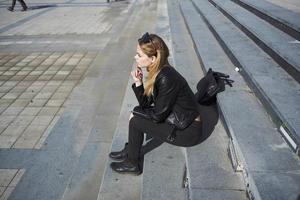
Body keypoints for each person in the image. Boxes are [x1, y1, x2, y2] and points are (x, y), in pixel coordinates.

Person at [109, 32, 209, 175]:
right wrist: (138, 83)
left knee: (136, 121)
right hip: (178, 121)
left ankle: (132, 164)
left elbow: (157, 116)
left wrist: (134, 113)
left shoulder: (166, 77)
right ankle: (131, 149)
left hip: (187, 131)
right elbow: (146, 104)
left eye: (139, 55)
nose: (135, 57)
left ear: (153, 58)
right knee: (136, 114)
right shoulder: (158, 71)